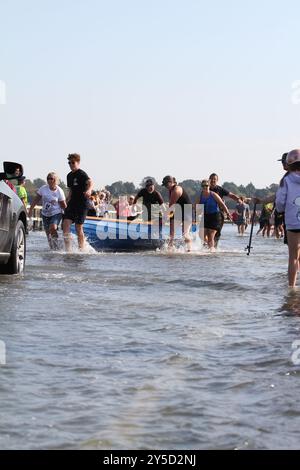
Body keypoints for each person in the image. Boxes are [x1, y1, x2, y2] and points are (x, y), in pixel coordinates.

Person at [276, 149, 300, 288]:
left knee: (293, 257)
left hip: (292, 222)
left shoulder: (286, 180)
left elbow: (280, 202)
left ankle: (292, 288)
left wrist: (281, 210)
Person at [63, 153, 93, 251]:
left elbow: (90, 182)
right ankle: (68, 250)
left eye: (73, 162)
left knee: (78, 227)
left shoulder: (81, 173)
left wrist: (89, 190)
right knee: (65, 224)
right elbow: (71, 189)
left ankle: (81, 249)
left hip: (82, 203)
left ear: (78, 162)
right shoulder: (69, 176)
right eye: (69, 163)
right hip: (72, 203)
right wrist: (67, 199)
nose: (71, 164)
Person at [28, 172, 67, 250]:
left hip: (56, 213)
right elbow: (36, 199)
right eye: (48, 178)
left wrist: (66, 217)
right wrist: (31, 209)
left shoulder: (59, 191)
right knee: (48, 234)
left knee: (52, 228)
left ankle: (57, 245)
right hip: (45, 214)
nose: (49, 180)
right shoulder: (43, 188)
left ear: (55, 180)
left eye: (51, 178)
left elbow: (63, 205)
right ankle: (52, 249)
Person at [195, 179, 232, 250]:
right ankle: (209, 247)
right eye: (203, 186)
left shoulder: (213, 195)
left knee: (211, 236)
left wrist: (227, 213)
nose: (205, 187)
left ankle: (211, 253)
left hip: (215, 217)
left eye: (206, 185)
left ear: (209, 186)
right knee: (201, 235)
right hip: (205, 217)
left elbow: (222, 204)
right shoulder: (200, 196)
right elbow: (195, 208)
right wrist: (195, 216)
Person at [162, 175, 192, 251]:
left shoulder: (176, 190)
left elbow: (171, 206)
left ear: (171, 182)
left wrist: (164, 219)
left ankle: (189, 250)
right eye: (164, 185)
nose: (165, 186)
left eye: (166, 184)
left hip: (187, 211)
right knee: (171, 233)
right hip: (177, 210)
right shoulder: (170, 189)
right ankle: (170, 249)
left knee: (185, 234)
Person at [209, 173, 241, 246]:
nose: (213, 180)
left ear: (217, 180)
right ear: (209, 179)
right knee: (207, 232)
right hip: (208, 213)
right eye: (212, 179)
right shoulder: (206, 189)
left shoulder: (220, 189)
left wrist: (238, 199)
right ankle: (207, 247)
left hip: (219, 214)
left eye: (215, 179)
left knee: (217, 232)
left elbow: (231, 195)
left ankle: (214, 247)